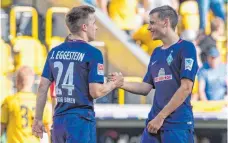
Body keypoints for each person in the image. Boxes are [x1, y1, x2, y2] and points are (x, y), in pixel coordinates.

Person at [32, 5, 123, 143]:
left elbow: (43, 87)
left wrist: (38, 119)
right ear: (85, 27)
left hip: (59, 121)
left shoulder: (54, 52)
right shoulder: (93, 53)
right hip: (81, 121)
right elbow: (96, 92)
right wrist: (114, 83)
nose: (96, 27)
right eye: (94, 23)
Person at [109, 5, 198, 142]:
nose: (148, 27)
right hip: (154, 124)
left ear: (166, 22)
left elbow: (186, 88)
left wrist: (161, 117)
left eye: (152, 23)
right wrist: (122, 83)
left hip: (176, 125)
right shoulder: (156, 53)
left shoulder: (186, 48)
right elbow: (145, 87)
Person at [1, 66, 52, 143]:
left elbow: (1, 127)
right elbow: (50, 129)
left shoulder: (9, 101)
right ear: (32, 81)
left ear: (17, 81)